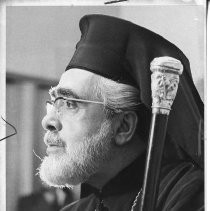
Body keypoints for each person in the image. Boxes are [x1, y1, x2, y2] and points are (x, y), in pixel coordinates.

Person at [39, 14, 204, 211]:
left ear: (123, 127)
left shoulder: (192, 194)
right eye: (54, 102)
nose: (48, 121)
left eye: (70, 103)